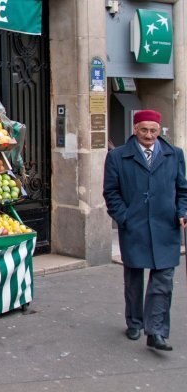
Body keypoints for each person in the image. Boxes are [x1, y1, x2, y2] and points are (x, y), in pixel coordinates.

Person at [104, 109, 187, 351]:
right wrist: (124, 217)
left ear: (159, 131)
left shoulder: (175, 155)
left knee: (163, 280)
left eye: (153, 131)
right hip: (135, 225)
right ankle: (135, 321)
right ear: (135, 129)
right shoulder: (118, 157)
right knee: (133, 278)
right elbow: (111, 192)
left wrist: (182, 211)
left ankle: (156, 331)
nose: (149, 135)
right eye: (144, 130)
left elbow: (183, 189)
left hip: (166, 226)